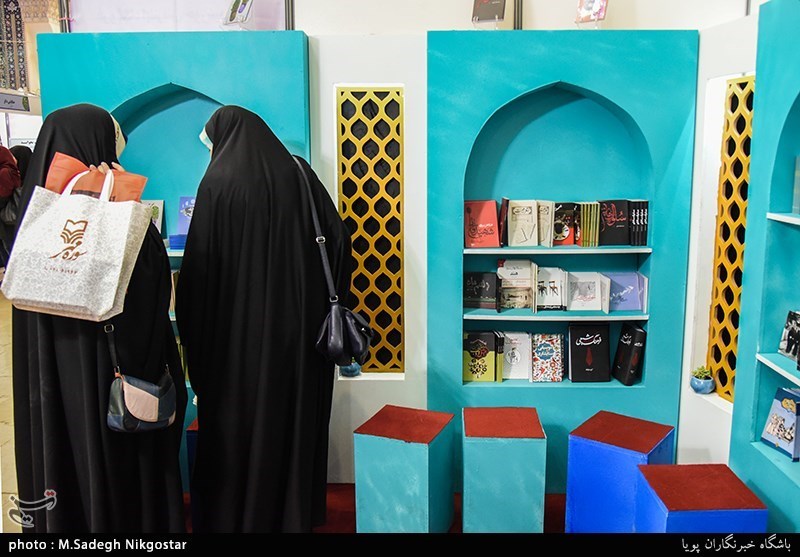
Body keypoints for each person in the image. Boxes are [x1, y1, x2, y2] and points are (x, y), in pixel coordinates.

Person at [176, 105, 352, 533]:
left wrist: (199, 348)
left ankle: (237, 517)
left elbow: (197, 277)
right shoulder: (301, 174)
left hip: (235, 348)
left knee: (238, 429)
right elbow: (339, 241)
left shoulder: (217, 184)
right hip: (300, 342)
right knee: (292, 422)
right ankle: (292, 514)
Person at [12, 104, 187, 532]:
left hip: (55, 382)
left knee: (62, 453)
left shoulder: (35, 220)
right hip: (111, 379)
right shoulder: (117, 215)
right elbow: (149, 289)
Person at [0, 146, 21, 267]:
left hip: (6, 213)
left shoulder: (5, 172)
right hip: (8, 213)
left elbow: (4, 194)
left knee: (8, 245)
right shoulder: (12, 170)